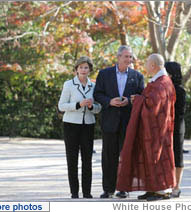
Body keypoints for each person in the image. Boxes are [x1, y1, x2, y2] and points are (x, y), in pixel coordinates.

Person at [116, 53, 176, 201]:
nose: (145, 66)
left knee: (157, 157)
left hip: (158, 130)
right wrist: (140, 99)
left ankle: (161, 190)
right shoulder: (158, 81)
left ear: (154, 65)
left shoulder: (162, 83)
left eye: (147, 63)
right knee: (149, 157)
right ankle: (152, 189)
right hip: (152, 128)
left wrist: (138, 100)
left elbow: (153, 105)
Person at [93, 45, 144, 198]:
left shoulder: (137, 76)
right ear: (118, 57)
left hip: (128, 122)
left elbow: (141, 97)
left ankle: (123, 188)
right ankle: (108, 189)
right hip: (109, 121)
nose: (129, 59)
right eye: (126, 56)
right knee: (109, 156)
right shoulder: (104, 74)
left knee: (126, 156)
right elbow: (97, 94)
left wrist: (128, 101)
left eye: (130, 57)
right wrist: (110, 101)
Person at [58, 56, 102, 199]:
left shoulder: (94, 86)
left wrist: (91, 106)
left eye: (86, 67)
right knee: (72, 159)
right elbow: (61, 106)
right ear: (76, 69)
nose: (83, 70)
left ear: (89, 70)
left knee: (87, 160)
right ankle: (74, 192)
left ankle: (87, 192)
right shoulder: (69, 84)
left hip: (88, 125)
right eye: (81, 67)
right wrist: (78, 104)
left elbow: (98, 108)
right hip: (71, 125)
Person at [165, 61, 185, 198]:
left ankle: (176, 186)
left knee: (177, 155)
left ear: (170, 74)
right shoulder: (164, 88)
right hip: (165, 127)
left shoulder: (179, 90)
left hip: (177, 126)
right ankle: (167, 184)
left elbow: (180, 112)